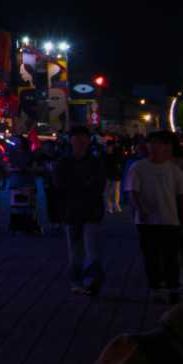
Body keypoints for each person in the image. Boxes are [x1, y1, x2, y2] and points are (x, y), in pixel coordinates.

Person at [126, 130, 183, 304]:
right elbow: (132, 191)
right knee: (151, 256)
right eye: (151, 143)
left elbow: (182, 195)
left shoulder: (174, 169)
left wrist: (182, 216)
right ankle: (156, 288)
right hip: (146, 221)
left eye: (159, 143)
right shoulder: (138, 167)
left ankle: (173, 287)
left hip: (170, 219)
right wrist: (140, 210)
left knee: (170, 256)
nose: (155, 147)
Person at [54, 125, 108, 296]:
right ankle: (77, 281)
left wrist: (76, 187)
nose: (79, 141)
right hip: (71, 211)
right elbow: (59, 186)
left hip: (91, 210)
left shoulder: (95, 162)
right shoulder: (63, 162)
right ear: (70, 141)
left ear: (88, 140)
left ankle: (92, 280)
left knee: (92, 248)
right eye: (75, 138)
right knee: (75, 249)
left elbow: (99, 185)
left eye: (82, 137)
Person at [103, 140, 127, 214]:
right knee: (108, 191)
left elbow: (122, 161)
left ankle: (115, 205)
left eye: (109, 146)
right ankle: (109, 207)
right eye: (107, 147)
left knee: (115, 190)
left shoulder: (117, 153)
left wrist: (120, 168)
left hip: (115, 174)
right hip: (108, 174)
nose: (108, 148)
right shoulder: (104, 154)